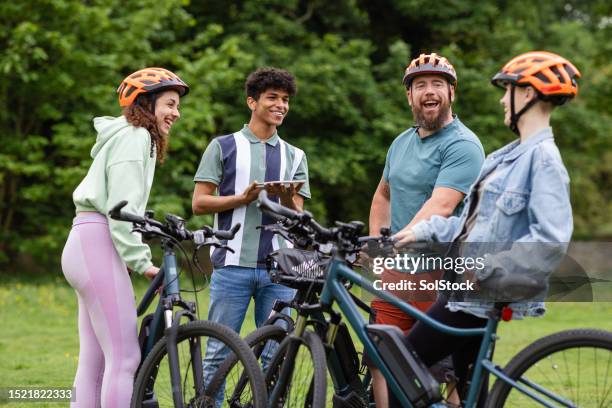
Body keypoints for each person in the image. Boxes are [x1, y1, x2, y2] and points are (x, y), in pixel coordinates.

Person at [392, 51, 580, 406]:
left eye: (506, 90)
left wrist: (486, 267)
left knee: (401, 359)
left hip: (478, 294)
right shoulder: (505, 157)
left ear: (526, 94)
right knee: (469, 391)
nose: (501, 99)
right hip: (466, 292)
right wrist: (422, 232)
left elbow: (550, 239)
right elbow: (469, 227)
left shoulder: (543, 159)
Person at [61, 67, 189, 407]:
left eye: (177, 106)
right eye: (170, 104)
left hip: (84, 242)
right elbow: (120, 209)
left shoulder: (128, 135)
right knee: (126, 359)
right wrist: (143, 262)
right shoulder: (136, 137)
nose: (176, 113)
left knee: (96, 360)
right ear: (146, 103)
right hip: (98, 241)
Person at [367, 53, 485, 407]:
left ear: (451, 93)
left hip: (440, 273)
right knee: (380, 357)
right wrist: (378, 247)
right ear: (409, 96)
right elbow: (382, 196)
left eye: (437, 84)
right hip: (396, 272)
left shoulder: (463, 145)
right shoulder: (400, 143)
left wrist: (397, 240)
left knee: (441, 374)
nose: (428, 91)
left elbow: (441, 205)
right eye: (420, 85)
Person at [192, 67, 310, 392]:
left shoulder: (295, 155)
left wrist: (287, 200)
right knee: (218, 354)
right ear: (251, 102)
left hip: (281, 272)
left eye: (285, 100)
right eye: (272, 97)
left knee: (276, 356)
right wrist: (240, 199)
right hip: (231, 267)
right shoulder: (222, 146)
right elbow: (199, 203)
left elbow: (299, 214)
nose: (281, 105)